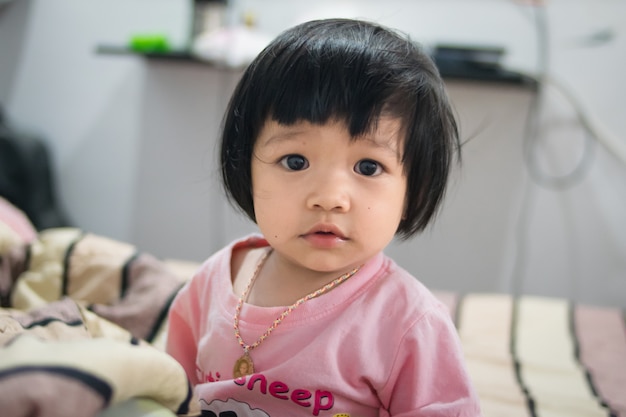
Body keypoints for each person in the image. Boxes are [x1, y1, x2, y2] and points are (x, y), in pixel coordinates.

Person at [166, 18, 482, 416]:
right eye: (295, 161)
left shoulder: (410, 323)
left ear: (413, 188)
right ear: (244, 166)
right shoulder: (213, 281)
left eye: (368, 167)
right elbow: (170, 394)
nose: (329, 198)